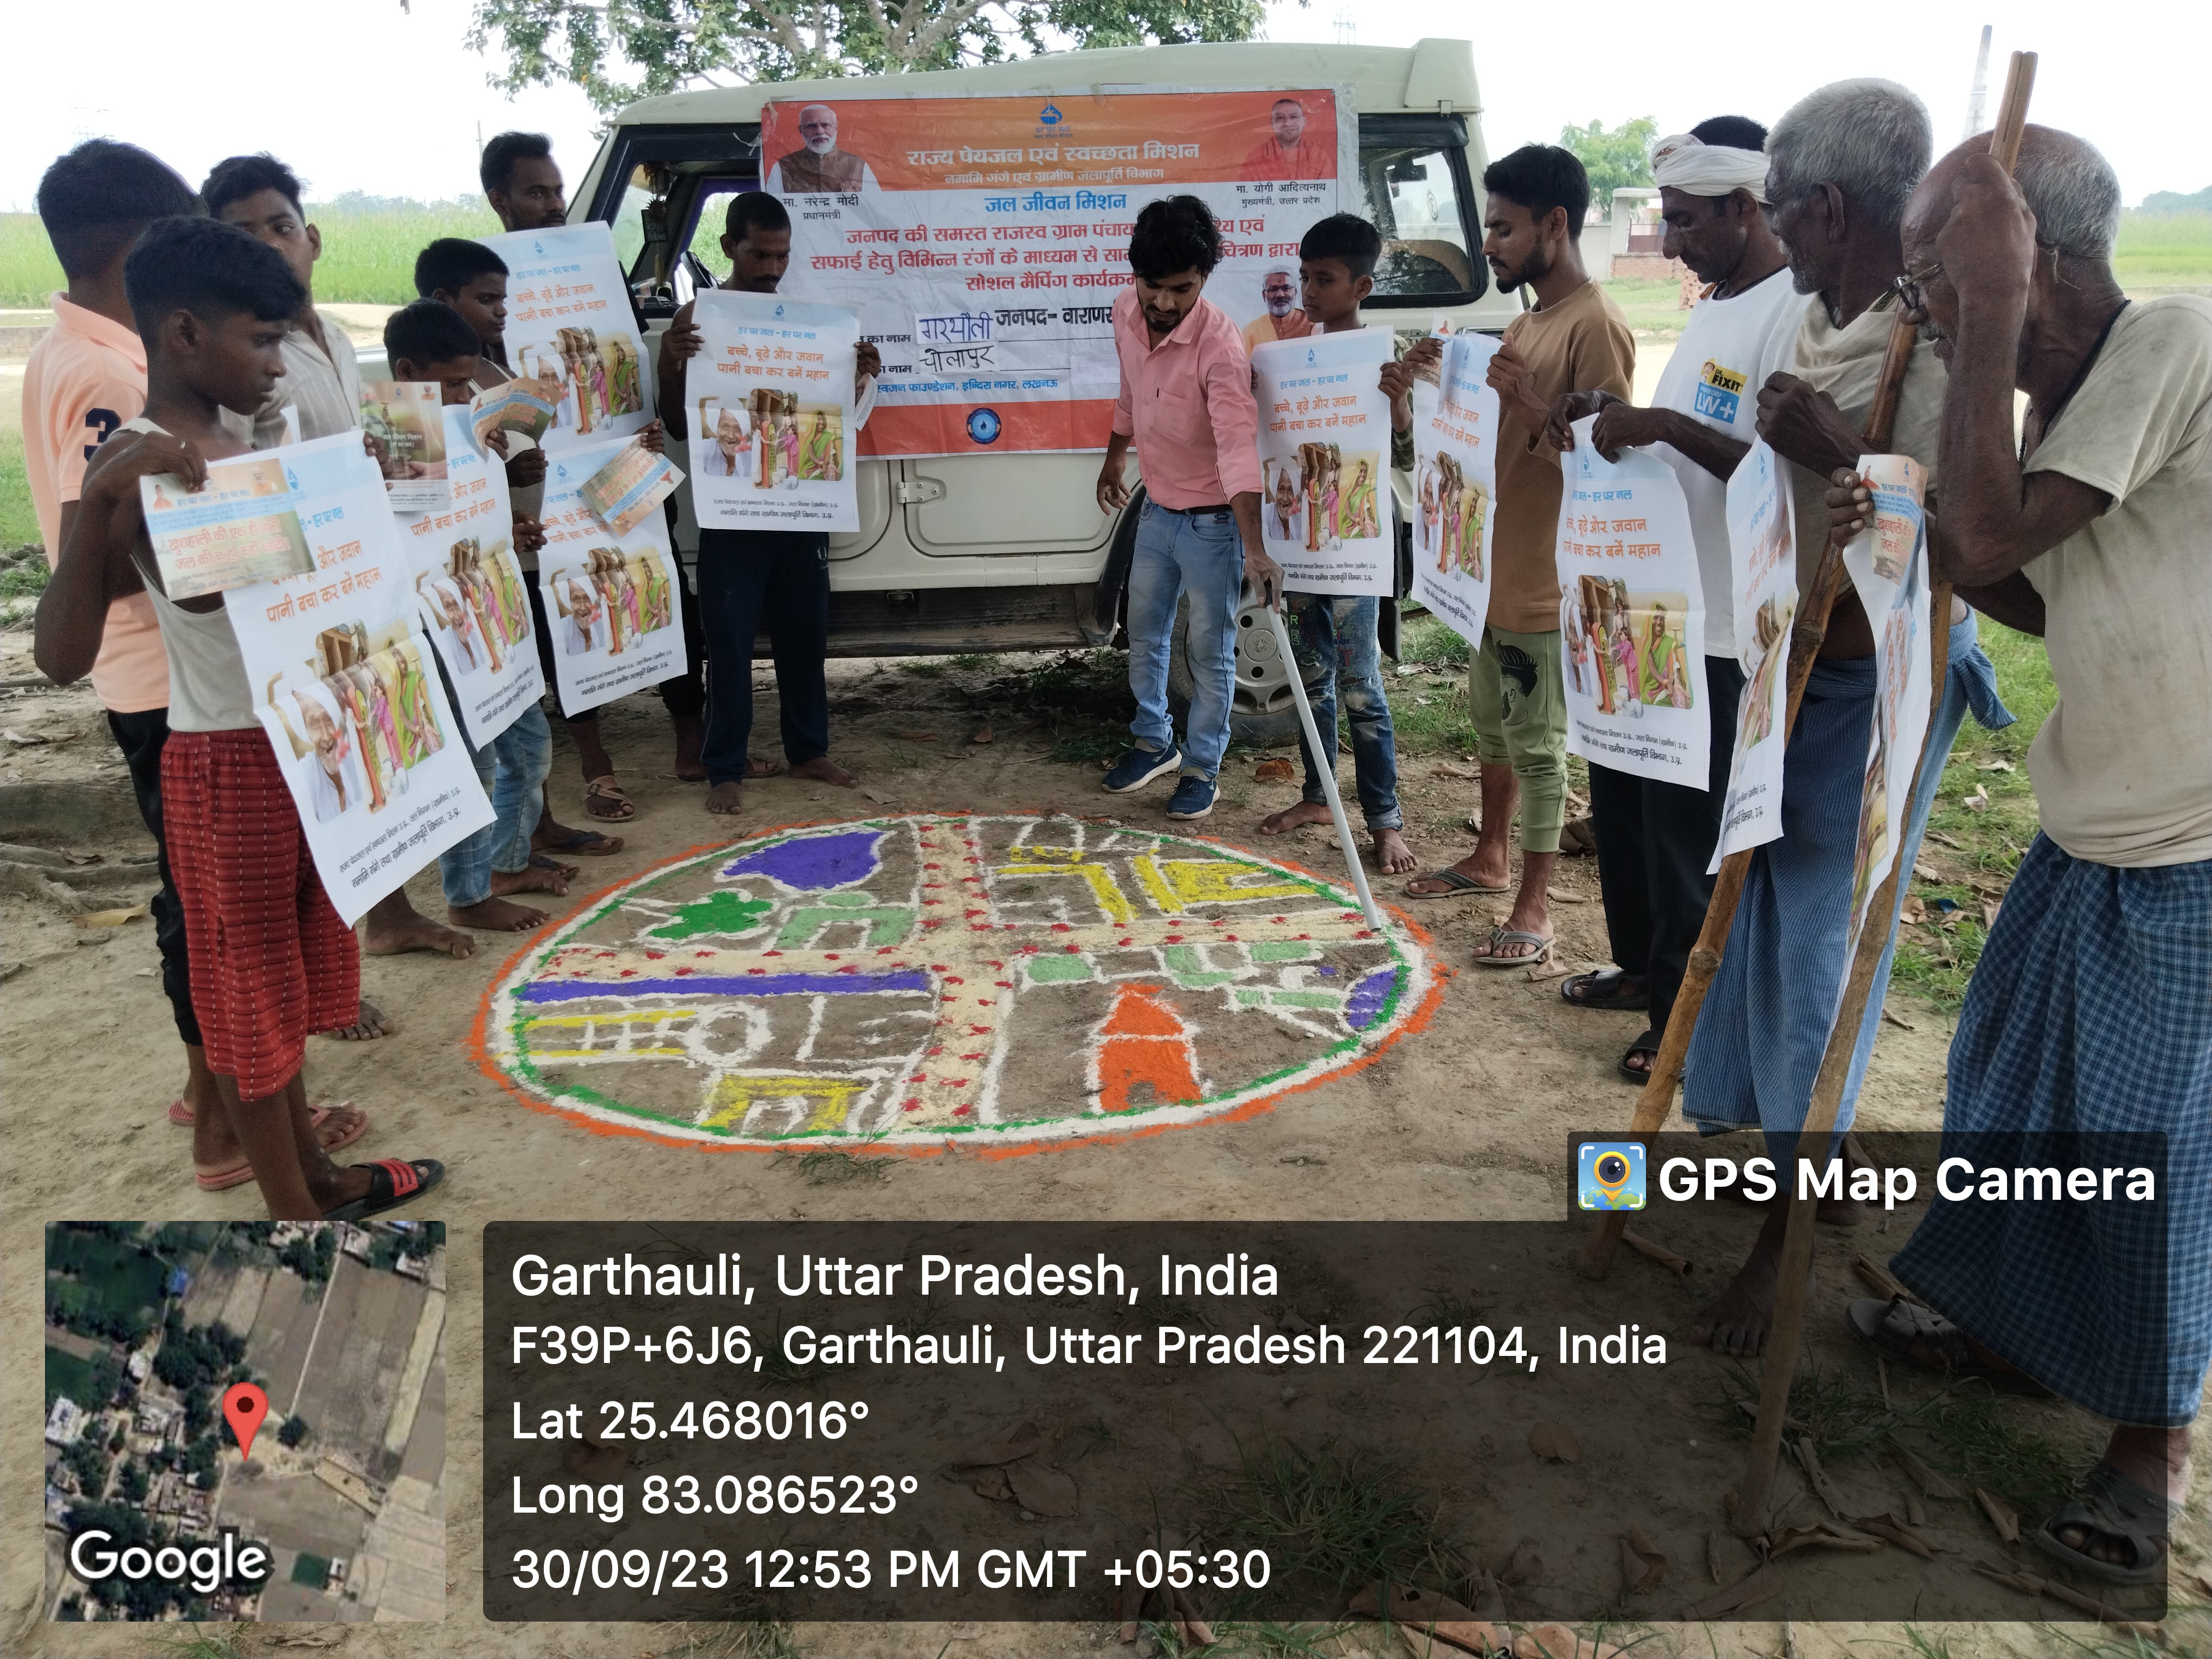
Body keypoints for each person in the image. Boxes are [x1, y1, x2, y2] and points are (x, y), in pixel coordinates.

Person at [1832, 124, 2211, 1588]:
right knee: (2009, 1096)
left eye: (1931, 270)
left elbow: (1986, 535)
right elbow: (2029, 587)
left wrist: (1985, 306)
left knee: (2148, 1153)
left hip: (2190, 842)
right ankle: (2006, 1328)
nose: (1917, 305)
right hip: (2094, 816)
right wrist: (1901, 520)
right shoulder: (2060, 404)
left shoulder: (2168, 342)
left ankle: (2149, 1452)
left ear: (2022, 254)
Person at [1678, 80, 2014, 1357]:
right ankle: (1774, 1153)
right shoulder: (1821, 316)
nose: (1769, 229)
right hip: (1793, 667)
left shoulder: (1930, 350)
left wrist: (1839, 454)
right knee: (1756, 919)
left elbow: (1961, 549)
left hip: (1875, 685)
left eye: (1777, 207)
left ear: (1823, 207)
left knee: (1818, 949)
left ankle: (1788, 1229)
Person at [33, 217, 443, 1222]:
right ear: (184, 333)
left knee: (291, 972)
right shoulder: (141, 462)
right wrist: (97, 511)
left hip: (308, 741)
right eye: (261, 340)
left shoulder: (252, 442)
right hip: (228, 755)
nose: (276, 361)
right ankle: (293, 1214)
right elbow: (61, 655)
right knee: (250, 987)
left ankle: (313, 1172)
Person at [1541, 117, 1804, 1080]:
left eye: (1687, 221)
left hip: (1725, 624)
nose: (1671, 241)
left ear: (1744, 207)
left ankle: (1689, 1021)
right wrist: (1610, 420)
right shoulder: (1716, 303)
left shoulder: (1787, 311)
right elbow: (1683, 435)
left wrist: (1657, 424)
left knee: (1689, 831)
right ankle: (1646, 971)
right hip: (1653, 607)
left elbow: (1778, 476)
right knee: (1628, 811)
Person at [201, 154, 483, 968]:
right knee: (334, 757)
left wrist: (420, 468)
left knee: (378, 741)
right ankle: (349, 942)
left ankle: (389, 916)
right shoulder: (242, 358)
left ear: (312, 237)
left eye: (280, 227)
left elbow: (382, 456)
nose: (268, 246)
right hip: (298, 589)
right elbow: (243, 482)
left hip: (361, 569)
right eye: (242, 235)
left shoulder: (330, 339)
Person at [1403, 145, 1635, 972]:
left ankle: (1536, 905)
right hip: (1491, 577)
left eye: (1503, 229)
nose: (1490, 245)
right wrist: (1428, 386)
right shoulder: (1527, 322)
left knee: (1539, 746)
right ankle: (1491, 857)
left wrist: (1530, 403)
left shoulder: (1596, 325)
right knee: (1493, 728)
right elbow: (1485, 435)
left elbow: (1613, 463)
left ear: (1555, 224)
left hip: (1545, 581)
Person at [477, 134, 710, 832]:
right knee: (564, 609)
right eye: (536, 192)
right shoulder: (486, 286)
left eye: (556, 190)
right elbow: (484, 388)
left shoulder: (597, 267)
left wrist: (644, 423)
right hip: (543, 478)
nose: (553, 204)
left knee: (663, 589)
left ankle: (690, 743)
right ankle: (595, 763)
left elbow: (627, 362)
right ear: (500, 200)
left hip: (625, 461)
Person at [654, 191, 880, 817]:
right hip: (732, 515)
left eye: (782, 256)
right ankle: (724, 767)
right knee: (727, 644)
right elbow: (678, 426)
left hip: (800, 509)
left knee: (805, 637)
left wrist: (860, 373)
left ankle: (808, 750)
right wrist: (671, 365)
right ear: (730, 247)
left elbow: (834, 418)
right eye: (759, 255)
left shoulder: (808, 324)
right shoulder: (698, 319)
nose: (772, 268)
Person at [1094, 196, 1282, 823]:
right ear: (1135, 274)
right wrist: (1114, 459)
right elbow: (1129, 393)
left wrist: (1254, 548)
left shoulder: (1221, 349)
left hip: (1212, 525)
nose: (1165, 303)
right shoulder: (1125, 311)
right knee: (1143, 635)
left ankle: (1203, 768)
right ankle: (1154, 743)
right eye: (1154, 286)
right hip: (1156, 510)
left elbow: (1237, 449)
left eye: (1183, 289)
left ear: (1204, 280)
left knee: (1209, 651)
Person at [1256, 213, 1432, 874]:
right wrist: (1258, 395)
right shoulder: (1285, 358)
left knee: (1361, 684)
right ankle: (1318, 796)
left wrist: (1401, 406)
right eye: (1304, 277)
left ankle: (1385, 822)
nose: (1308, 290)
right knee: (1312, 678)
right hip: (1301, 547)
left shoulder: (1386, 357)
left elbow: (1410, 456)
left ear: (1361, 286)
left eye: (1323, 279)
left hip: (1357, 546)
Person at [384, 299, 567, 934]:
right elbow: (410, 542)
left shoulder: (468, 434)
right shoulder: (398, 436)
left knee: (530, 747)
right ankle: (468, 895)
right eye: (456, 384)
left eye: (471, 384)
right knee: (477, 763)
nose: (467, 397)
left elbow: (456, 524)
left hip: (491, 617)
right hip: (444, 632)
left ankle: (506, 864)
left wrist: (506, 527)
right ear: (408, 374)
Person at [765, 105, 879, 194]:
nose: (820, 132)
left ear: (836, 127)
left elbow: (874, 207)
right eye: (811, 126)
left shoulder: (858, 166)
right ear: (801, 130)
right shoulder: (784, 166)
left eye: (826, 125)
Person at [1239, 98, 1333, 182]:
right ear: (1272, 123)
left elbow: (1328, 193)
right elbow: (1247, 193)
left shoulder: (1318, 157)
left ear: (1304, 122)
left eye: (1294, 117)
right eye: (1280, 118)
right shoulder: (1256, 158)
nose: (1288, 123)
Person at [1240, 268, 1315, 353]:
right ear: (1264, 296)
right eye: (1273, 289)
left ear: (1295, 293)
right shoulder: (1251, 332)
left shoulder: (1312, 325)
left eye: (1286, 288)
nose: (1280, 295)